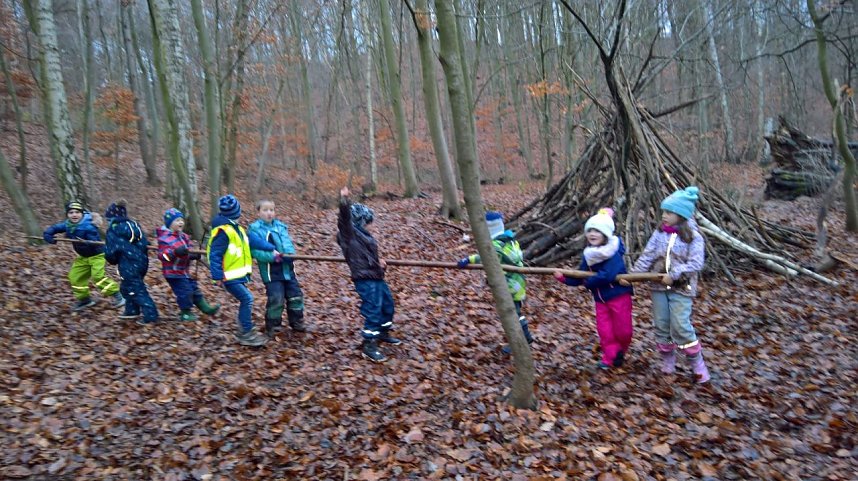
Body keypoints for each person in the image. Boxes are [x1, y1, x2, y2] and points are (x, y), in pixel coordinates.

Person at [627, 186, 710, 383]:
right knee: (662, 324)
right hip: (657, 287)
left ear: (681, 215)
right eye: (663, 211)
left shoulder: (693, 236)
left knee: (680, 326)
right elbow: (647, 256)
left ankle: (697, 363)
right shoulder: (659, 233)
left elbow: (696, 263)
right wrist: (633, 276)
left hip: (682, 288)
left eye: (669, 212)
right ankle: (668, 360)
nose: (663, 215)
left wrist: (674, 275)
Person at [553, 208, 633, 369]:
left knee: (623, 331)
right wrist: (564, 278)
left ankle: (620, 351)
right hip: (600, 300)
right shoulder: (589, 254)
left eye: (597, 230)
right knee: (605, 331)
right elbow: (580, 276)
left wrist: (588, 282)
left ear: (606, 234)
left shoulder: (613, 252)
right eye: (589, 230)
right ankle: (610, 357)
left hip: (618, 296)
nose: (592, 234)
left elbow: (607, 275)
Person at [337, 186, 401, 363]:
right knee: (372, 308)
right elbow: (343, 219)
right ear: (361, 221)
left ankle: (382, 332)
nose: (372, 225)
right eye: (369, 221)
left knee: (387, 305)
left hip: (376, 276)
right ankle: (369, 344)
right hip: (364, 279)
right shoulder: (349, 234)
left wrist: (380, 264)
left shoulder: (365, 236)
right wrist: (344, 200)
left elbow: (368, 257)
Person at [457, 211, 533, 353]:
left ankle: (521, 340)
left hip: (509, 282)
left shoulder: (497, 243)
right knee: (515, 310)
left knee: (511, 312)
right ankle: (522, 337)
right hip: (518, 281)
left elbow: (487, 256)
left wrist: (468, 260)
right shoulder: (510, 240)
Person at [207, 194, 277, 347]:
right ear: (236, 213)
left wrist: (272, 247)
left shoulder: (236, 228)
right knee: (247, 299)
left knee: (246, 299)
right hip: (228, 276)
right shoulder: (223, 232)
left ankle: (244, 328)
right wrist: (217, 275)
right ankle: (246, 332)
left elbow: (253, 240)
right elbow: (215, 254)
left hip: (237, 275)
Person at [43, 200, 125, 312]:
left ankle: (118, 295)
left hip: (97, 256)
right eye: (71, 212)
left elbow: (95, 240)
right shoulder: (68, 224)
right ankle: (84, 299)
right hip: (83, 257)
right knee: (75, 277)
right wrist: (48, 234)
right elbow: (56, 228)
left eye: (77, 212)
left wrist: (89, 242)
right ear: (67, 215)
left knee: (98, 277)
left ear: (82, 213)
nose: (74, 215)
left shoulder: (88, 226)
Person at [249, 200, 308, 337]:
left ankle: (297, 321)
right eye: (265, 210)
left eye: (271, 210)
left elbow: (287, 243)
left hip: (287, 269)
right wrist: (272, 257)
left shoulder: (281, 227)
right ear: (258, 212)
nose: (269, 213)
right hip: (271, 272)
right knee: (276, 297)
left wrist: (289, 254)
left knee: (295, 295)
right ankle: (273, 325)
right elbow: (254, 251)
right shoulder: (255, 229)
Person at [156, 208, 220, 321]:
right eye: (177, 220)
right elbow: (163, 255)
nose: (181, 222)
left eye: (182, 220)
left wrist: (193, 255)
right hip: (173, 272)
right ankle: (185, 313)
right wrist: (174, 252)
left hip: (184, 271)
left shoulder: (184, 236)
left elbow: (187, 251)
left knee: (194, 288)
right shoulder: (164, 239)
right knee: (185, 292)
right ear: (170, 223)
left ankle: (206, 308)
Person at [103, 200, 159, 325]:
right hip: (142, 262)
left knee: (136, 289)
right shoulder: (134, 225)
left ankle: (151, 315)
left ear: (112, 219)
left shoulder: (113, 231)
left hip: (128, 264)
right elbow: (145, 243)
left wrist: (111, 259)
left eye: (108, 220)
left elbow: (110, 252)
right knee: (126, 287)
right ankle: (132, 310)